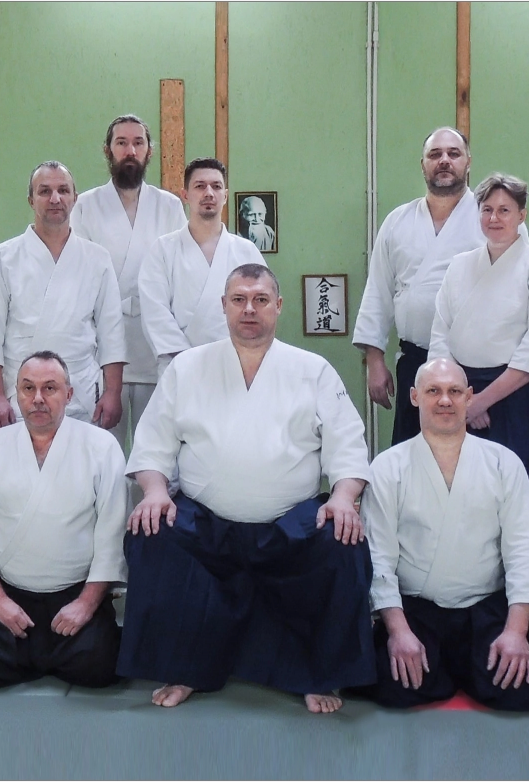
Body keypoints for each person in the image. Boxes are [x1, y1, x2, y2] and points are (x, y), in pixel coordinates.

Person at [119, 264, 374, 714]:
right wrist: (155, 491)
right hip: (206, 523)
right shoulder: (187, 367)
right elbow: (153, 443)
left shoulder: (312, 370)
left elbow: (348, 445)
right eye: (239, 300)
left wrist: (342, 496)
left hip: (290, 526)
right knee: (151, 532)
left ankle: (316, 673)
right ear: (224, 306)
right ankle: (185, 668)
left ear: (278, 306)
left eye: (260, 300)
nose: (249, 309)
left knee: (342, 541)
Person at [353, 357, 529, 710]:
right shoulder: (388, 467)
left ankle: (459, 665)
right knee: (392, 685)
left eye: (455, 391)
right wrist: (398, 632)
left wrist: (516, 631)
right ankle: (446, 664)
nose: (445, 400)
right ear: (414, 397)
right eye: (434, 391)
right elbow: (379, 558)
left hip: (485, 608)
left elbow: (523, 551)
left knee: (523, 690)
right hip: (416, 610)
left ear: (469, 397)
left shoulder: (503, 463)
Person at [0, 351, 127, 690]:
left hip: (75, 593)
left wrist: (86, 605)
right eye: (28, 388)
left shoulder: (101, 446)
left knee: (99, 668)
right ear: (16, 393)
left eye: (50, 388)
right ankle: (42, 654)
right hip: (9, 592)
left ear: (69, 394)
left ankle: (41, 653)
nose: (38, 399)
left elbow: (111, 534)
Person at [352, 127, 528, 445]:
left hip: (478, 367)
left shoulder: (493, 218)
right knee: (414, 454)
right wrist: (374, 361)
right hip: (415, 361)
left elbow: (516, 294)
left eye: (453, 154)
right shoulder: (398, 221)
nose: (444, 160)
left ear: (468, 162)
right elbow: (378, 291)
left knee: (477, 459)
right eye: (435, 154)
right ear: (423, 165)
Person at [428, 174, 529, 488]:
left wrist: (481, 402)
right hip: (460, 395)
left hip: (518, 397)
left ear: (521, 215)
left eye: (504, 210)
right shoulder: (459, 266)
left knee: (520, 491)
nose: (494, 218)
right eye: (487, 210)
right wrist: (461, 397)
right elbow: (440, 335)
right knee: (461, 491)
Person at [0, 161, 126, 433]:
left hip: (81, 392)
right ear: (31, 200)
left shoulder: (97, 258)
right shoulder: (4, 258)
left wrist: (113, 392)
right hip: (21, 396)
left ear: (74, 198)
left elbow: (111, 332)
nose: (55, 199)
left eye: (63, 190)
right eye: (44, 191)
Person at [70, 115, 185, 457]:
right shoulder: (85, 205)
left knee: (155, 453)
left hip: (154, 346)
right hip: (103, 348)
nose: (130, 150)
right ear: (108, 150)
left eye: (138, 143)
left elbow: (179, 275)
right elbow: (79, 276)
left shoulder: (170, 206)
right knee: (105, 453)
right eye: (121, 143)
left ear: (150, 151)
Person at [138, 158, 268, 376]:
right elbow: (154, 311)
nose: (209, 193)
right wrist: (186, 360)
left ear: (225, 195)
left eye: (216, 186)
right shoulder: (163, 249)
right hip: (178, 367)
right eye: (200, 186)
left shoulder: (247, 252)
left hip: (236, 364)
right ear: (185, 195)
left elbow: (262, 308)